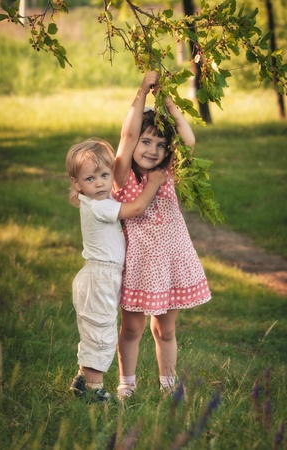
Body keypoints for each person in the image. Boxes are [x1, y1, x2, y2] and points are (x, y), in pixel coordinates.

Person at [113, 71, 212, 399]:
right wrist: (142, 90)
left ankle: (168, 387)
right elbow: (127, 135)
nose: (152, 150)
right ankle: (126, 385)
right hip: (139, 264)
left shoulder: (167, 172)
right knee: (132, 328)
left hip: (171, 260)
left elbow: (189, 139)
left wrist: (167, 98)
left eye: (160, 144)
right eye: (146, 141)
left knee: (165, 330)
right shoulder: (123, 175)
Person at [66, 137, 166, 402]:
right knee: (100, 334)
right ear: (76, 184)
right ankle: (93, 390)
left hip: (98, 278)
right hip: (99, 279)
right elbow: (137, 207)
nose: (99, 183)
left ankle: (82, 380)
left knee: (95, 330)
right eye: (90, 179)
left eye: (104, 175)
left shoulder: (98, 200)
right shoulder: (100, 206)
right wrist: (153, 183)